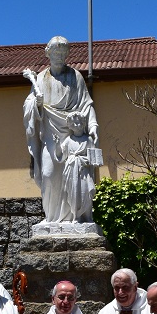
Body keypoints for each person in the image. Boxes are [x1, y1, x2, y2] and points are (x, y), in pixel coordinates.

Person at [22, 36, 99, 224]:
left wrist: (93, 125)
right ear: (48, 53)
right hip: (50, 136)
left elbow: (86, 104)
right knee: (48, 175)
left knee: (75, 179)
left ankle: (75, 216)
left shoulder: (75, 77)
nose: (59, 56)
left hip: (75, 135)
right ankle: (52, 218)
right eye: (56, 52)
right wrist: (36, 104)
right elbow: (29, 104)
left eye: (63, 53)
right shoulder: (40, 78)